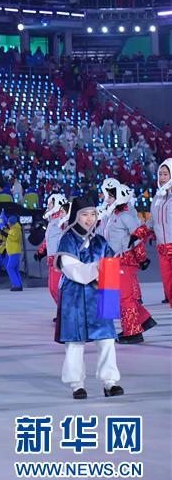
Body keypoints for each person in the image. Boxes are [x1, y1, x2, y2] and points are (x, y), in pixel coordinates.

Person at [55, 196, 123, 400]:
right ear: (76, 217)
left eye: (93, 214)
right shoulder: (68, 239)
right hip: (74, 298)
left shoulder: (100, 241)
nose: (89, 219)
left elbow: (111, 266)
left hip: (98, 297)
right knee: (75, 343)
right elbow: (72, 270)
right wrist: (98, 268)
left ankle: (110, 382)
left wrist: (111, 300)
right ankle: (77, 384)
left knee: (107, 339)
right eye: (84, 214)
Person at [97, 179, 155, 343]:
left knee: (124, 298)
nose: (106, 199)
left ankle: (133, 332)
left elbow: (136, 239)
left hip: (123, 260)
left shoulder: (127, 216)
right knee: (108, 299)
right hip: (109, 260)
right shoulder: (109, 215)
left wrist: (142, 258)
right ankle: (142, 320)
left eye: (110, 196)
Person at [33, 194, 70, 304]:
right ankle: (62, 311)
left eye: (50, 203)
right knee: (52, 288)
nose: (48, 206)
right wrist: (40, 251)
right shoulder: (52, 221)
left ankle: (64, 312)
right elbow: (48, 239)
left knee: (56, 287)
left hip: (58, 257)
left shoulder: (61, 219)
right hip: (51, 257)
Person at [148, 158, 172, 305]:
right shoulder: (158, 197)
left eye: (165, 174)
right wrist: (140, 232)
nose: (162, 178)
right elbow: (153, 221)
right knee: (168, 288)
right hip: (162, 249)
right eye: (160, 174)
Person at [0, 211, 24, 291]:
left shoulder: (10, 229)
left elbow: (10, 237)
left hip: (5, 253)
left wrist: (3, 231)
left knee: (10, 268)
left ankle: (16, 284)